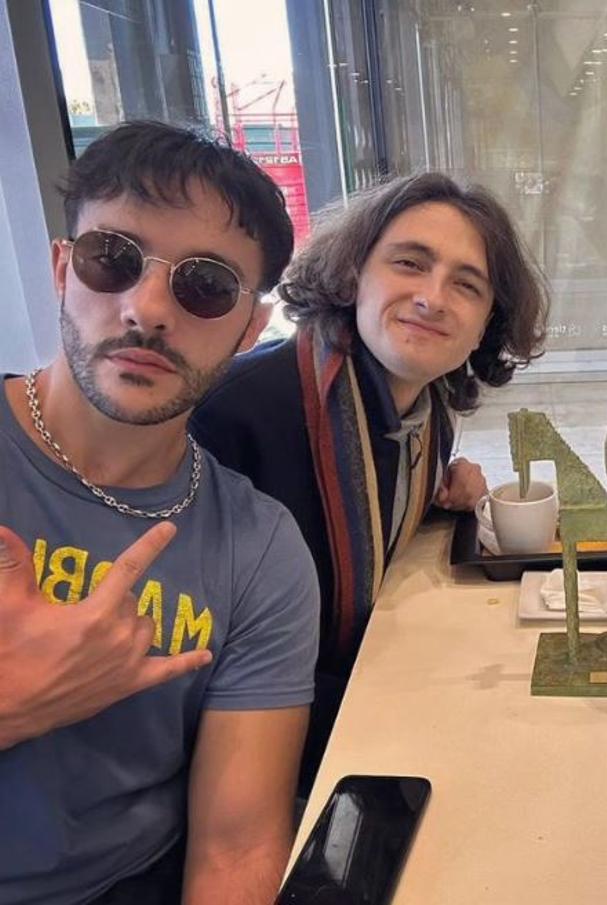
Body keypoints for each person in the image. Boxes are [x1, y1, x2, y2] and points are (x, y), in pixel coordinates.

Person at [0, 121, 319, 903]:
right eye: (114, 259)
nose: (146, 308)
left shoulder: (261, 548)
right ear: (61, 269)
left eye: (204, 285)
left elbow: (237, 849)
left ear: (250, 327)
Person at [191, 172, 549, 790]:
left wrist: (446, 494)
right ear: (355, 273)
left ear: (488, 321)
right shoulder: (232, 411)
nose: (434, 298)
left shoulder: (428, 413)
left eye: (467, 285)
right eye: (410, 263)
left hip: (372, 700)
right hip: (261, 756)